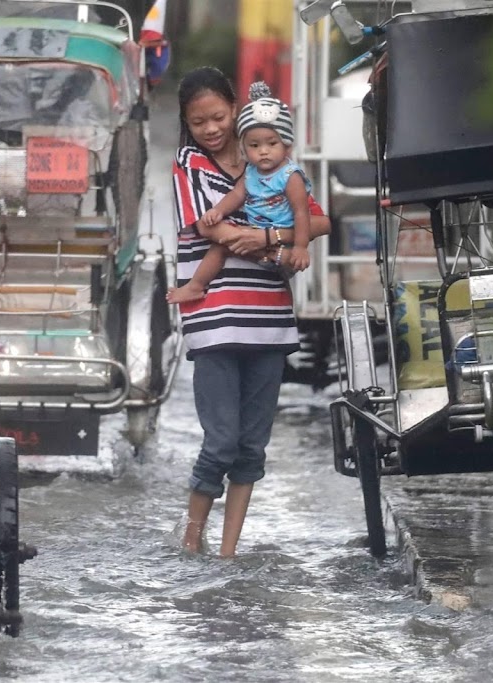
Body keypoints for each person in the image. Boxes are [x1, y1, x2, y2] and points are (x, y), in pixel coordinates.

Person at [172, 66, 330, 558]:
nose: (211, 129)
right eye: (199, 122)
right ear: (187, 124)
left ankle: (227, 554)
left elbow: (321, 220)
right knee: (220, 442)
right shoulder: (188, 164)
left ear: (234, 108)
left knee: (252, 449)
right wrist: (265, 236)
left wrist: (265, 237)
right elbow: (205, 228)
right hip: (214, 314)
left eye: (218, 116)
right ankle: (191, 542)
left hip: (270, 317)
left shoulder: (271, 156)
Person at [169, 82, 312, 304]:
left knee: (227, 244)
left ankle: (199, 283)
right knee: (220, 248)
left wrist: (297, 246)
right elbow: (236, 196)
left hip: (281, 247)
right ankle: (195, 286)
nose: (263, 151)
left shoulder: (289, 175)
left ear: (286, 146)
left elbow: (308, 216)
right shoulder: (252, 172)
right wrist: (217, 211)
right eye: (255, 145)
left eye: (271, 144)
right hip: (254, 239)